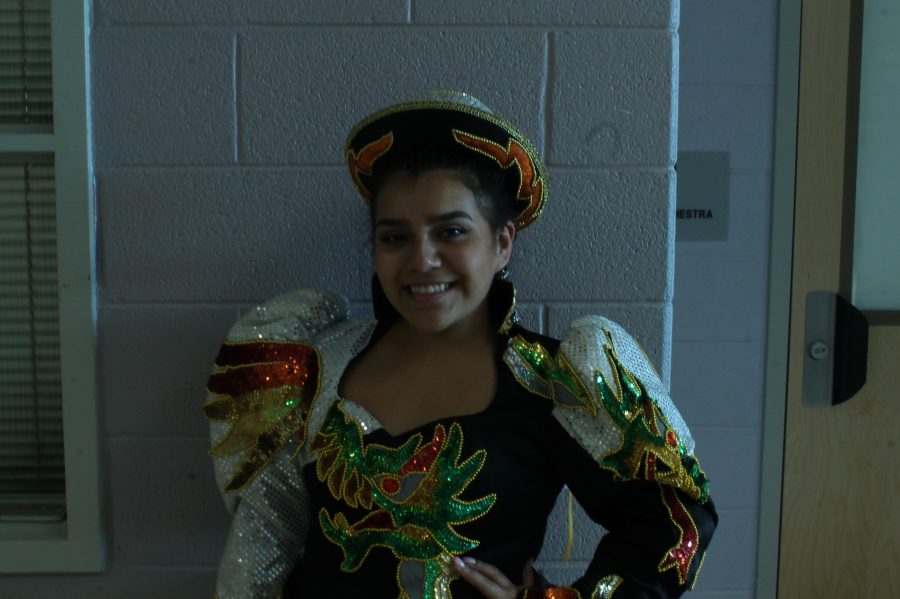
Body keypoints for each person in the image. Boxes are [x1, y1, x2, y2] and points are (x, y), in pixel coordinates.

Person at [204, 90, 717, 599]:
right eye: (394, 237)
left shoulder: (555, 379)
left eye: (450, 231)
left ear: (501, 243)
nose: (422, 260)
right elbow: (262, 544)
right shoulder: (318, 365)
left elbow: (675, 526)